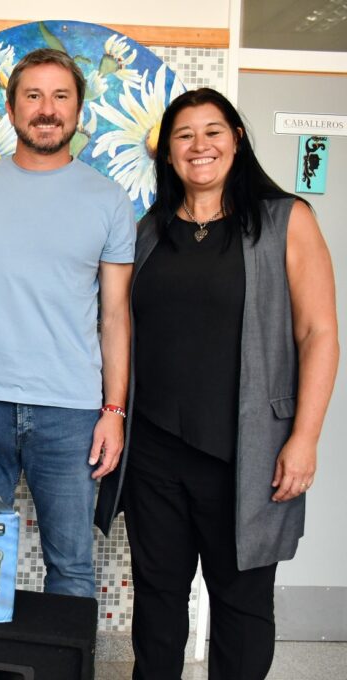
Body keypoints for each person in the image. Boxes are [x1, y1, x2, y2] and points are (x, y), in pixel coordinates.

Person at [95, 88, 339, 680]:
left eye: (213, 131)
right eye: (184, 135)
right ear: (167, 153)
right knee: (157, 601)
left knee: (242, 606)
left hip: (247, 453)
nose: (199, 145)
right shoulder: (147, 232)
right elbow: (118, 326)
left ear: (237, 140)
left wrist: (304, 438)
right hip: (155, 452)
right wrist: (115, 413)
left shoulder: (285, 220)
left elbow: (319, 333)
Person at [0, 48, 135, 598]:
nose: (47, 109)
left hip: (71, 411)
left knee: (71, 567)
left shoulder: (109, 200)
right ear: (10, 108)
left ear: (78, 110)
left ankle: (61, 653)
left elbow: (115, 316)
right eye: (33, 95)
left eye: (60, 96)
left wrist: (113, 411)